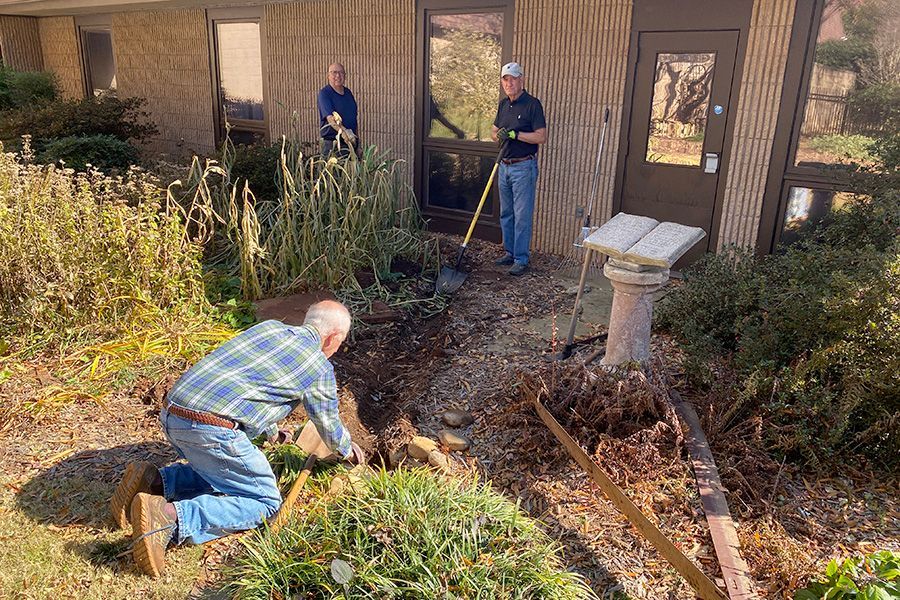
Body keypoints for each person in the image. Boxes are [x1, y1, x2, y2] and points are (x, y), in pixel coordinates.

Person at [109, 300, 364, 577]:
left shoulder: (269, 329)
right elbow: (327, 423)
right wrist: (347, 451)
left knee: (229, 472)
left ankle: (156, 481)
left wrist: (272, 432)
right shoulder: (318, 367)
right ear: (333, 338)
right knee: (264, 502)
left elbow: (247, 384)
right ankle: (170, 518)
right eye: (340, 343)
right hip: (208, 429)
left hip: (174, 413)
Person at [491, 62, 547, 276]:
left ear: (521, 79)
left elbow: (541, 137)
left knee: (522, 215)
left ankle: (521, 259)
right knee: (506, 213)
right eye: (505, 79)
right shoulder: (503, 105)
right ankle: (509, 252)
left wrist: (516, 135)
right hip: (504, 166)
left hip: (523, 166)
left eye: (513, 78)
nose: (509, 83)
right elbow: (493, 132)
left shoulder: (532, 105)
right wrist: (498, 135)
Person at [317, 62, 359, 156]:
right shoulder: (325, 94)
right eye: (334, 72)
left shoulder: (348, 93)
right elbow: (331, 119)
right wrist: (344, 133)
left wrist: (358, 144)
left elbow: (354, 119)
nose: (338, 76)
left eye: (341, 72)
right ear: (328, 76)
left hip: (351, 143)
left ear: (345, 76)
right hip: (333, 145)